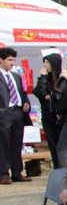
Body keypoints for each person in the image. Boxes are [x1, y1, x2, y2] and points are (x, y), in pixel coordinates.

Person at [0, 47, 31, 184]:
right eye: (9, 60)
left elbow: (22, 93)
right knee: (3, 144)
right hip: (4, 113)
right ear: (1, 60)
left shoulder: (16, 76)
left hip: (18, 113)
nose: (12, 63)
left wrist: (26, 104)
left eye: (13, 60)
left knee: (17, 143)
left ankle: (17, 172)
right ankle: (3, 173)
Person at [36, 53, 63, 168]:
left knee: (65, 144)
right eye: (44, 62)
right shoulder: (45, 78)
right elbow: (40, 92)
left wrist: (52, 95)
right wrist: (42, 77)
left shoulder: (63, 77)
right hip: (48, 115)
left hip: (61, 115)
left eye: (47, 62)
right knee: (53, 144)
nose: (45, 65)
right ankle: (58, 168)